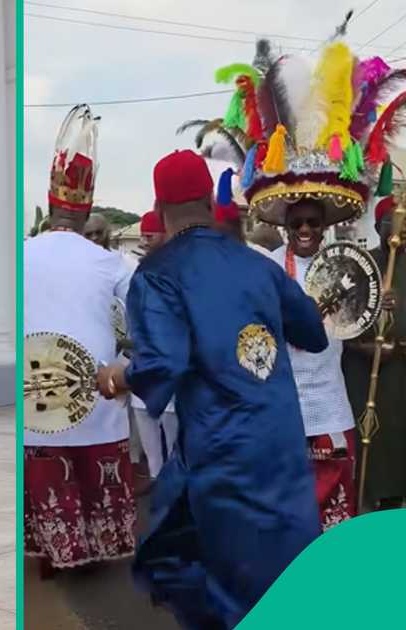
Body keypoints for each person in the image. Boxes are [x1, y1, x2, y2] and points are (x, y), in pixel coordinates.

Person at [96, 150, 325, 629]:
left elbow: (162, 362)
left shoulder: (157, 274)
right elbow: (314, 332)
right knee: (286, 581)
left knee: (221, 586)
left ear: (159, 210)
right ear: (207, 199)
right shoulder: (259, 266)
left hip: (222, 454)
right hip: (281, 448)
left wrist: (118, 377)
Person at [25, 105, 136, 579]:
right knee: (90, 470)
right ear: (87, 208)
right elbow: (145, 327)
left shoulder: (21, 254)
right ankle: (91, 553)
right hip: (95, 392)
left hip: (36, 392)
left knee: (48, 470)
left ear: (50, 206)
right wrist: (127, 366)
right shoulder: (113, 264)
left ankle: (53, 552)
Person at [267, 199, 361, 529]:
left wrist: (382, 308)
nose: (305, 230)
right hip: (282, 406)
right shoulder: (269, 268)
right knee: (286, 503)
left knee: (336, 505)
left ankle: (330, 572)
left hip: (330, 403)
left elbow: (360, 326)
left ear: (325, 227)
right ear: (286, 227)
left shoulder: (346, 267)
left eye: (313, 222)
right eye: (296, 224)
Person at [343, 196, 405, 510]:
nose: (397, 230)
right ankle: (362, 507)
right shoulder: (362, 264)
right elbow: (343, 321)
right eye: (390, 223)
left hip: (400, 377)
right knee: (368, 447)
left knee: (397, 446)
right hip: (364, 373)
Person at [127, 210, 177, 486]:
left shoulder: (177, 266)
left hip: (171, 367)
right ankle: (158, 480)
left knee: (174, 436)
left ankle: (175, 486)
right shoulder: (137, 268)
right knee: (145, 420)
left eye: (150, 234)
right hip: (143, 360)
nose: (145, 240)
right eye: (143, 235)